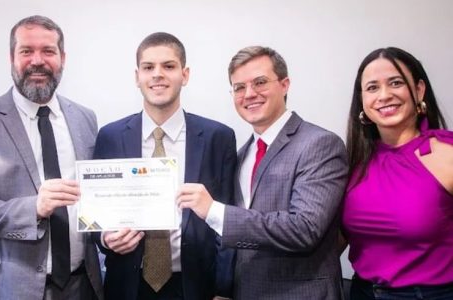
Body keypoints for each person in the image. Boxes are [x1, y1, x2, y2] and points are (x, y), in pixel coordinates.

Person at [0, 15, 103, 300]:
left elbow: (94, 199)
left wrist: (110, 232)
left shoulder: (85, 118)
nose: (38, 61)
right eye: (27, 51)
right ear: (11, 57)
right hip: (5, 288)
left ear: (63, 58)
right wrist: (33, 208)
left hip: (81, 286)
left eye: (48, 51)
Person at [177, 46, 348, 299]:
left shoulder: (320, 144)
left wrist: (214, 211)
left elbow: (304, 229)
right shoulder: (242, 154)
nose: (249, 94)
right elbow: (239, 239)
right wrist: (224, 288)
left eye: (260, 82)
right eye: (239, 87)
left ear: (285, 84)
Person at [94, 32, 237, 299]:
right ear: (137, 76)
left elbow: (229, 219)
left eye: (168, 66)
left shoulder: (219, 137)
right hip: (127, 286)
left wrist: (223, 288)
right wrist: (105, 238)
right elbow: (95, 212)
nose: (158, 74)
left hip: (196, 286)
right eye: (148, 67)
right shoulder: (109, 136)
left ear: (185, 74)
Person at [341, 47, 453, 299]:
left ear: (419, 90)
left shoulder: (447, 155)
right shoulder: (352, 162)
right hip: (362, 292)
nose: (384, 95)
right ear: (362, 100)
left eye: (396, 82)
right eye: (372, 87)